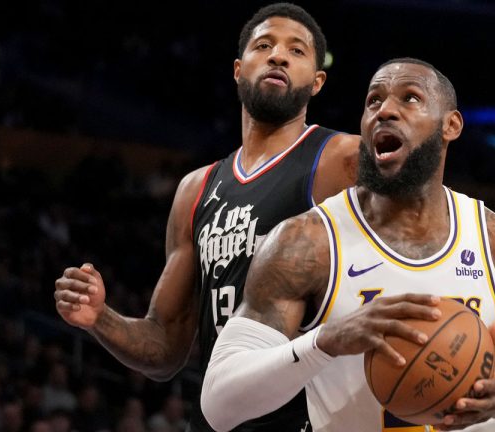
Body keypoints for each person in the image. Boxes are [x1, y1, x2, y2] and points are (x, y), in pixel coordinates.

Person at [201, 58, 495, 432]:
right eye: (373, 101)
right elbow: (219, 405)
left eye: (410, 98)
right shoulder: (306, 242)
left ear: (451, 125)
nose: (385, 111)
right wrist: (324, 342)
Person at [53, 3, 359, 431]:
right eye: (264, 45)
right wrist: (100, 317)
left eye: (297, 51)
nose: (278, 56)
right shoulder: (195, 190)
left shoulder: (341, 159)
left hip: (311, 418)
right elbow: (164, 348)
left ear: (317, 82)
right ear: (238, 69)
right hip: (221, 418)